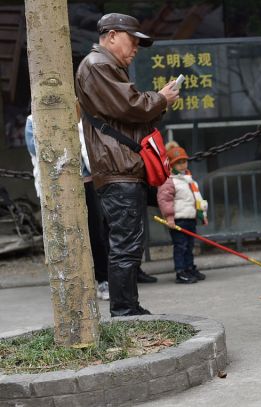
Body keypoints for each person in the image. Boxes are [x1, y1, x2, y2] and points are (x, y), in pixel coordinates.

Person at [75, 13, 180, 316]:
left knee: (128, 243)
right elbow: (131, 105)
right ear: (110, 35)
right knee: (125, 244)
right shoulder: (98, 66)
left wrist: (158, 102)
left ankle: (128, 307)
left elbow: (131, 113)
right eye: (132, 40)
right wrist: (160, 98)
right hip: (117, 168)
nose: (135, 47)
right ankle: (124, 311)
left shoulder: (105, 66)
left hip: (121, 167)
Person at [24, 115, 111, 301]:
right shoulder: (33, 120)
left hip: (86, 181)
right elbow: (35, 149)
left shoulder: (76, 113)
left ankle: (103, 280)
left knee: (96, 233)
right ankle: (71, 285)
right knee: (63, 236)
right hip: (56, 185)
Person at [157, 142, 208, 284]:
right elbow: (164, 200)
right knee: (181, 246)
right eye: (178, 163)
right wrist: (169, 218)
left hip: (190, 218)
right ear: (171, 165)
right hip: (178, 219)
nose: (182, 165)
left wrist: (200, 212)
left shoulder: (188, 179)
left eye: (184, 161)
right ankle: (181, 271)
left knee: (190, 245)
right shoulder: (169, 181)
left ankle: (190, 267)